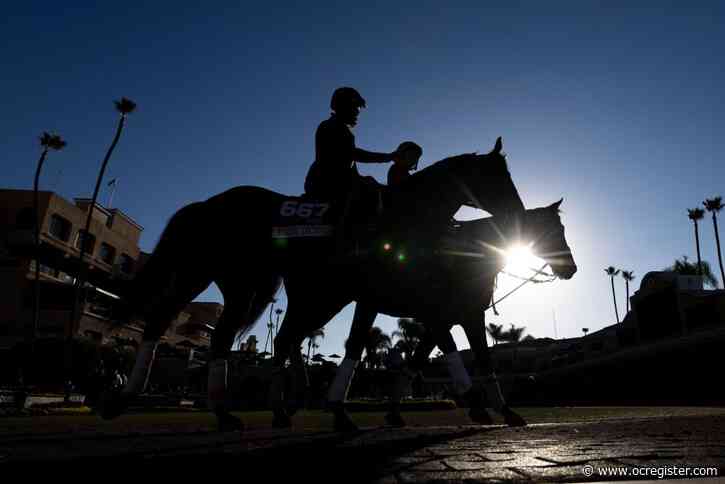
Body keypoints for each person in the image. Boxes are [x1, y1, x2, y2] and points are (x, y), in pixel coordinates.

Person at [304, 87, 402, 212]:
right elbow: (351, 154)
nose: (357, 112)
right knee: (371, 191)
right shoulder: (331, 126)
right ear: (345, 106)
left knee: (371, 185)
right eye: (356, 108)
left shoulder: (341, 129)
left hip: (333, 183)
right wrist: (388, 157)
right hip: (325, 185)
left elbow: (348, 165)